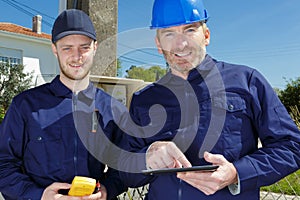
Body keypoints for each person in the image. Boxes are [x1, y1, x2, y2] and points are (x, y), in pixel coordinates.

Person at [119, 0, 300, 199]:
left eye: (189, 30)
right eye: (169, 33)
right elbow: (125, 175)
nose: (181, 44)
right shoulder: (143, 99)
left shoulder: (248, 82)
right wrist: (147, 158)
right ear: (158, 44)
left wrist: (237, 173)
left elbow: (291, 146)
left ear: (206, 36)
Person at [0, 9, 127, 200]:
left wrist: (106, 190)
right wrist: (39, 195)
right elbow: (3, 164)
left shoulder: (112, 109)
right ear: (54, 49)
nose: (76, 56)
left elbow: (125, 165)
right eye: (67, 48)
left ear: (95, 47)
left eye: (84, 47)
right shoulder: (25, 106)